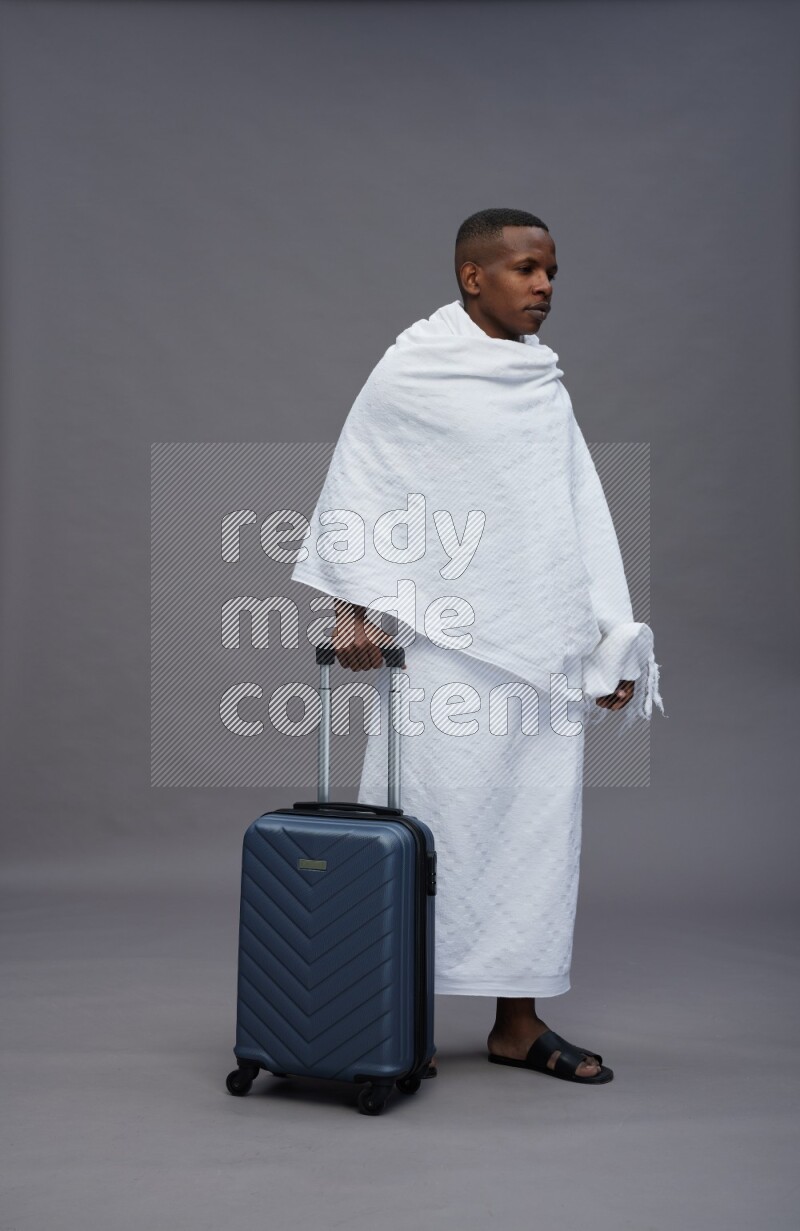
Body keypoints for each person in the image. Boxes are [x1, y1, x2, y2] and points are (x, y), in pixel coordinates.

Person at [291, 207, 664, 1086]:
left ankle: (517, 1024)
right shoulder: (411, 369)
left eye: (551, 273)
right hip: (442, 645)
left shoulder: (540, 382)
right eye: (527, 269)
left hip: (538, 643)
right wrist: (352, 613)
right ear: (473, 276)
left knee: (534, 830)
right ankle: (393, 1013)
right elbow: (362, 481)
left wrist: (612, 641)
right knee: (423, 826)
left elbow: (579, 511)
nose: (543, 287)